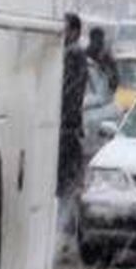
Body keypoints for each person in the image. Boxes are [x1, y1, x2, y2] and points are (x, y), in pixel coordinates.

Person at [58, 13, 89, 245]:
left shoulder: (73, 55)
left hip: (67, 128)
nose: (61, 33)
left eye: (65, 29)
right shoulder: (73, 55)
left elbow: (68, 92)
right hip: (68, 127)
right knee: (68, 182)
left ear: (76, 32)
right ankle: (68, 230)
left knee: (66, 183)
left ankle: (66, 232)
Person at [86, 26, 119, 91]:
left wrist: (104, 68)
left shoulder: (108, 58)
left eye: (99, 41)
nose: (97, 45)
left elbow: (114, 83)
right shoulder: (85, 55)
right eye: (95, 41)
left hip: (102, 94)